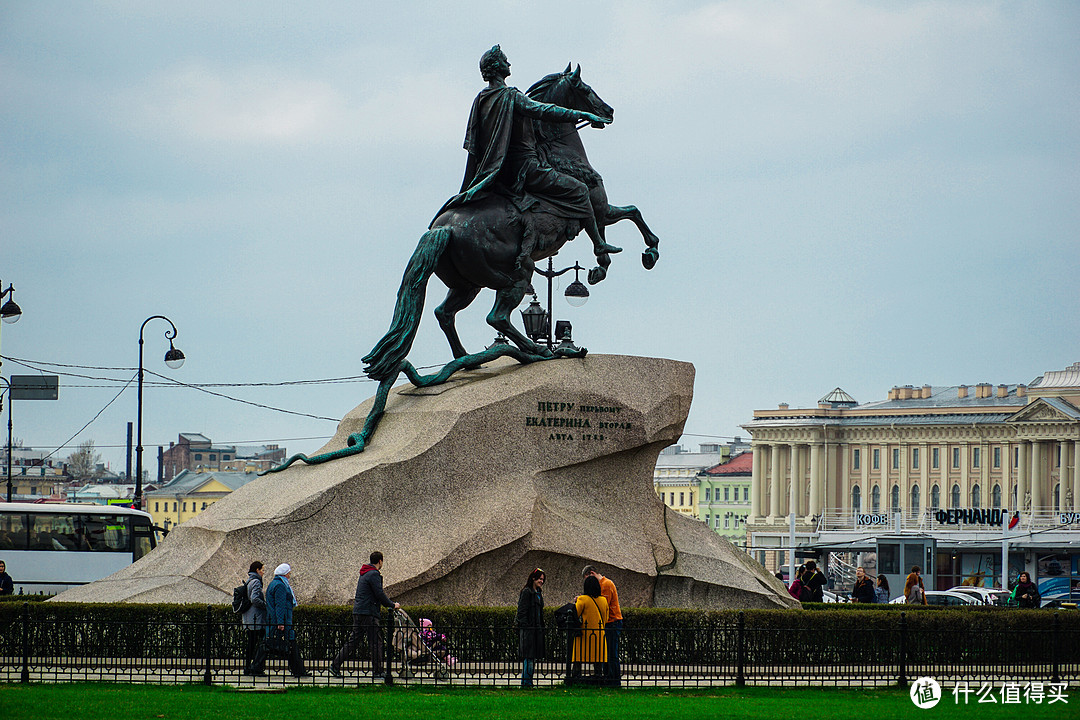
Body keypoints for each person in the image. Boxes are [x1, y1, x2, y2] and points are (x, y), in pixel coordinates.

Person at [436, 45, 619, 264]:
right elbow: (545, 110)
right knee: (580, 190)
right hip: (528, 168)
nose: (509, 64)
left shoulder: (481, 100)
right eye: (505, 60)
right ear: (496, 67)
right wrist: (582, 114)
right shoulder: (510, 96)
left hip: (503, 171)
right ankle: (599, 244)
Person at [330, 551, 400, 679]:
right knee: (376, 642)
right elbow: (379, 593)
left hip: (358, 611)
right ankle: (378, 671)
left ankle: (335, 665)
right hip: (369, 613)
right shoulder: (374, 574)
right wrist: (391, 605)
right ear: (380, 561)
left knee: (353, 641)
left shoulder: (364, 573)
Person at [251, 563, 308, 678]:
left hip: (274, 619)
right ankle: (298, 670)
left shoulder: (274, 583)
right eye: (289, 573)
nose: (290, 575)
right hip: (281, 620)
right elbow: (280, 605)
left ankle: (298, 670)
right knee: (287, 643)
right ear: (285, 573)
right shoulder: (281, 586)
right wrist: (281, 622)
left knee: (269, 643)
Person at [583, 565, 623, 685]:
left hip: (612, 621)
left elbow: (603, 605)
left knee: (611, 653)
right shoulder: (604, 583)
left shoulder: (605, 585)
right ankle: (609, 677)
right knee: (608, 652)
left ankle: (614, 679)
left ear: (592, 573)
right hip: (610, 622)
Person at [569, 574, 608, 683]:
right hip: (598, 634)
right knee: (597, 659)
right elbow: (605, 618)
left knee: (578, 658)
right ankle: (598, 678)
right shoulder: (603, 600)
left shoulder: (583, 599)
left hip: (584, 635)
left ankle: (575, 678)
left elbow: (574, 614)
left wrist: (576, 602)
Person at [515, 567, 545, 687]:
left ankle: (527, 681)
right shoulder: (527, 592)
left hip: (536, 630)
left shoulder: (538, 593)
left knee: (532, 657)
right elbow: (521, 612)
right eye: (539, 579)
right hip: (529, 630)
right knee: (529, 657)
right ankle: (527, 682)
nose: (541, 581)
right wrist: (526, 626)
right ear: (533, 578)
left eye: (542, 579)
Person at [241, 561, 268, 675]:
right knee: (260, 644)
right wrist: (265, 605)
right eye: (262, 570)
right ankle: (256, 667)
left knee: (251, 644)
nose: (263, 572)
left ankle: (248, 667)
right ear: (257, 570)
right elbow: (254, 599)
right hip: (256, 619)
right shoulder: (256, 582)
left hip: (249, 618)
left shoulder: (249, 581)